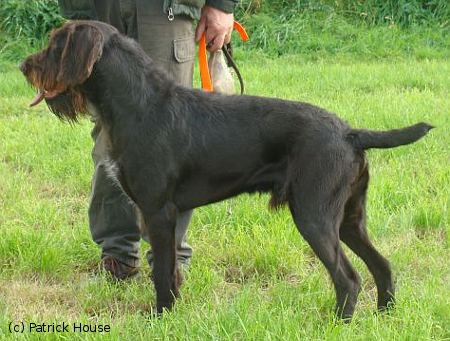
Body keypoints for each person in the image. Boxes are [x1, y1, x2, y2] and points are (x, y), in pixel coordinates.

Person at [57, 0, 238, 279]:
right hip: (102, 7)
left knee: (169, 134)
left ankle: (169, 261)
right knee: (110, 131)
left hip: (164, 9)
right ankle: (117, 256)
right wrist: (77, 11)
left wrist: (222, 4)